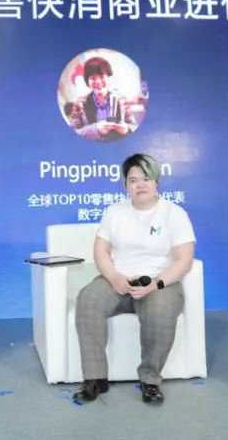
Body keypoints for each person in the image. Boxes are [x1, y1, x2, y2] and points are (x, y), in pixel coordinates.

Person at [73, 153, 195, 404]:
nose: (140, 185)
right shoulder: (114, 212)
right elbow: (101, 251)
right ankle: (95, 379)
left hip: (159, 283)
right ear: (125, 185)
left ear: (156, 182)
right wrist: (113, 277)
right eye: (133, 180)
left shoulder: (174, 213)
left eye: (146, 179)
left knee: (160, 310)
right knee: (88, 299)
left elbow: (184, 259)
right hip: (118, 280)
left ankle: (150, 381)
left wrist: (156, 283)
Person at [77, 56, 136, 142]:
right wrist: (96, 130)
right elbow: (74, 131)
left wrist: (126, 129)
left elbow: (133, 125)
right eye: (93, 78)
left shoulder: (122, 99)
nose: (98, 82)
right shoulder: (80, 103)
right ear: (87, 81)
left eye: (102, 76)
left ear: (109, 78)